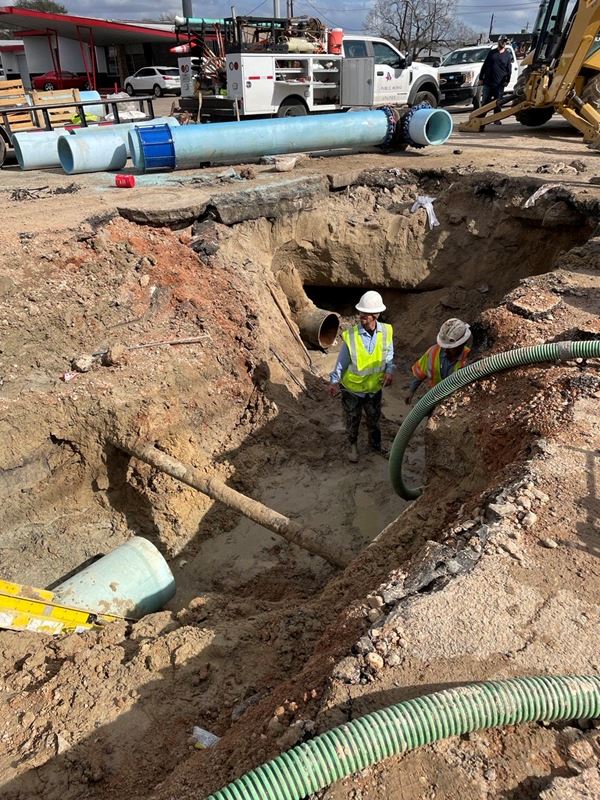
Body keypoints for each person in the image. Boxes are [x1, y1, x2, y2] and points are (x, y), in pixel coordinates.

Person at [328, 291, 394, 463]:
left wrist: (389, 370)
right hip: (352, 389)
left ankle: (375, 445)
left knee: (374, 419)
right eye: (361, 312)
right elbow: (341, 363)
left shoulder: (386, 332)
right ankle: (353, 445)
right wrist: (334, 382)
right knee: (352, 419)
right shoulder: (351, 336)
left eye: (365, 313)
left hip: (373, 389)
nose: (361, 315)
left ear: (376, 315)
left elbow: (389, 355)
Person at [406, 318, 471, 404]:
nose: (446, 350)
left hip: (456, 403)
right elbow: (419, 373)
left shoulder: (469, 358)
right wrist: (411, 391)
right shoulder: (433, 352)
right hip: (435, 399)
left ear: (462, 344)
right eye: (445, 346)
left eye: (451, 348)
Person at [478, 37, 512, 123]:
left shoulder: (508, 55)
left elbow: (509, 70)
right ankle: (480, 119)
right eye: (502, 41)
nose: (503, 43)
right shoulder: (492, 53)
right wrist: (481, 78)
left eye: (505, 42)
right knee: (485, 102)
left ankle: (496, 119)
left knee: (498, 102)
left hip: (499, 84)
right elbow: (484, 66)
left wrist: (507, 81)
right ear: (498, 42)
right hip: (488, 82)